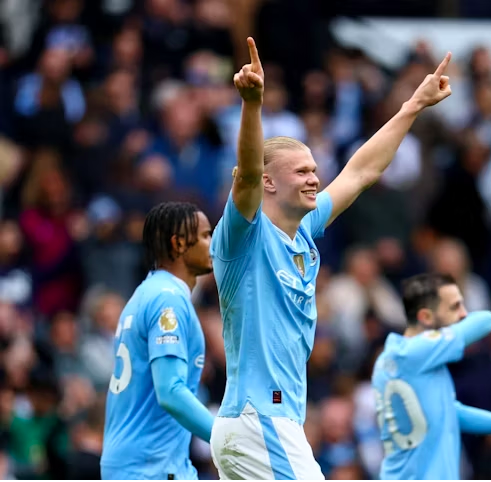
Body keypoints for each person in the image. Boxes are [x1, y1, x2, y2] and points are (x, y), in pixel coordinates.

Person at [209, 36, 453, 480]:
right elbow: (244, 174)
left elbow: (361, 171)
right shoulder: (242, 237)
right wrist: (252, 105)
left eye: (314, 170)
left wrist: (412, 106)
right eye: (301, 171)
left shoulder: (303, 228)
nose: (313, 178)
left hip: (269, 424)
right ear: (268, 183)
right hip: (260, 421)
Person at [371, 273, 491, 480]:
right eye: (454, 307)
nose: (464, 315)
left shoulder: (391, 359)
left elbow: (450, 411)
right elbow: (487, 320)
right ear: (426, 317)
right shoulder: (415, 354)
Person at [101, 202, 215, 480]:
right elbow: (171, 391)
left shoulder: (145, 294)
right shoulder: (167, 300)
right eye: (204, 235)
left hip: (153, 463)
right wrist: (229, 438)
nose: (212, 243)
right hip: (150, 467)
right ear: (178, 244)